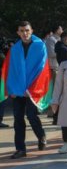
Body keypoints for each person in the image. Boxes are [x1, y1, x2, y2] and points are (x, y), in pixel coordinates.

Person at [5, 21, 48, 159]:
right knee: (18, 118)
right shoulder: (15, 49)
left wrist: (31, 88)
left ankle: (41, 135)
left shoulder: (40, 46)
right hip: (17, 90)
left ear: (32, 31)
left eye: (27, 30)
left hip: (33, 88)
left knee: (31, 115)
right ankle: (20, 149)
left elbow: (41, 69)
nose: (25, 33)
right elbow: (11, 70)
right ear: (18, 33)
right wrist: (11, 88)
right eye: (22, 31)